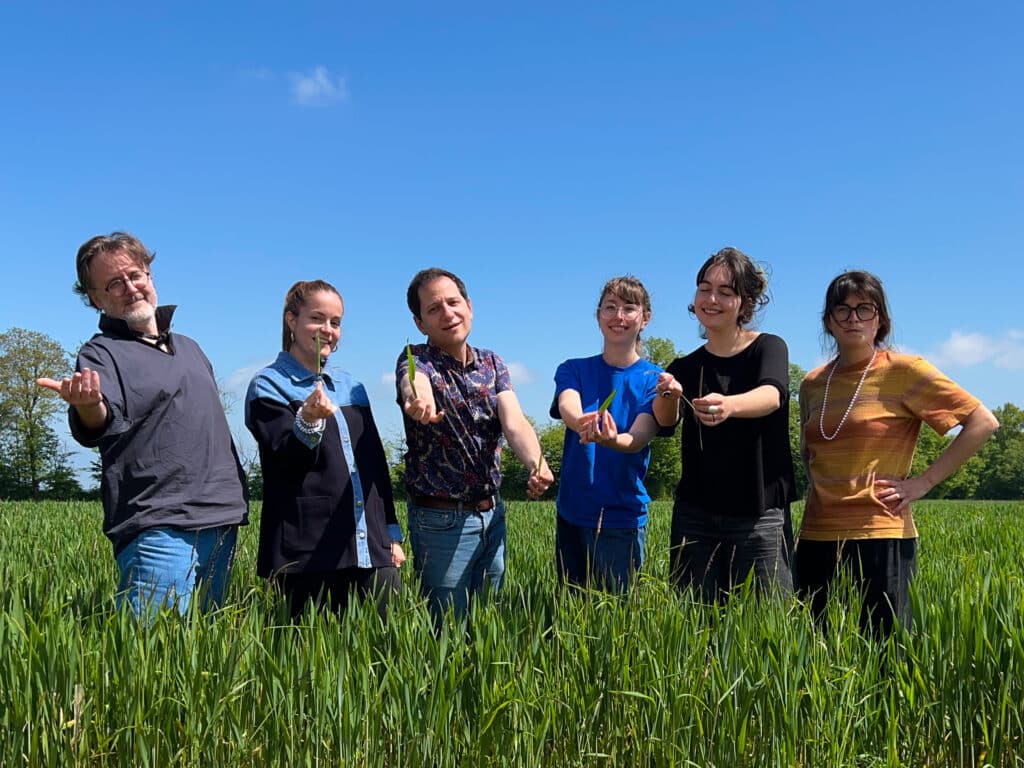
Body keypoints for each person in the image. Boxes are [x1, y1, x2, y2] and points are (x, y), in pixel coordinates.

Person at [36, 232, 248, 617]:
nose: (129, 288)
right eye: (113, 283)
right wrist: (88, 405)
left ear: (149, 275)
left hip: (222, 519)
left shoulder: (190, 347)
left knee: (206, 652)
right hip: (159, 525)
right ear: (96, 299)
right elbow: (100, 421)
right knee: (153, 661)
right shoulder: (100, 353)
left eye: (135, 275)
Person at [796, 270, 998, 637]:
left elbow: (982, 422)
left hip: (880, 533)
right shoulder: (812, 384)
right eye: (842, 310)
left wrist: (922, 483)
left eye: (864, 309)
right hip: (816, 536)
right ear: (828, 321)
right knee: (815, 653)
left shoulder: (904, 371)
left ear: (881, 320)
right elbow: (808, 454)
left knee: (884, 655)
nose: (853, 318)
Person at [396, 267, 554, 623]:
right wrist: (418, 399)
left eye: (453, 302)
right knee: (446, 630)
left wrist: (536, 462)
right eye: (434, 308)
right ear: (420, 322)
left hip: (491, 515)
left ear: (469, 306)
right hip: (440, 521)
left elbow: (513, 421)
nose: (448, 313)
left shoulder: (493, 363)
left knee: (487, 625)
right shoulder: (416, 358)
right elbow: (413, 383)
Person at [245, 280, 405, 619]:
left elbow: (374, 465)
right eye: (317, 319)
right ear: (292, 321)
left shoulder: (353, 387)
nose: (328, 330)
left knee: (385, 651)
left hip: (371, 546)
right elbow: (285, 462)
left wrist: (391, 532)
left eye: (336, 322)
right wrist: (308, 419)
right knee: (313, 662)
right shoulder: (268, 385)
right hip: (308, 551)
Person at [653, 247, 796, 603]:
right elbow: (664, 421)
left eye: (725, 292)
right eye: (704, 288)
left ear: (745, 302)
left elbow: (772, 395)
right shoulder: (685, 366)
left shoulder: (769, 348)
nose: (711, 299)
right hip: (695, 516)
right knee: (694, 622)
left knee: (764, 627)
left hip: (758, 514)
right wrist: (668, 393)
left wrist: (729, 405)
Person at [550, 275, 668, 592]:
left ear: (645, 318)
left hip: (623, 519)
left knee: (617, 620)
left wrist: (611, 439)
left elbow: (639, 437)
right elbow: (568, 405)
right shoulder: (572, 369)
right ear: (598, 315)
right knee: (570, 612)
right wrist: (584, 424)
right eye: (610, 307)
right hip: (573, 514)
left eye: (629, 308)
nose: (618, 316)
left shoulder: (654, 379)